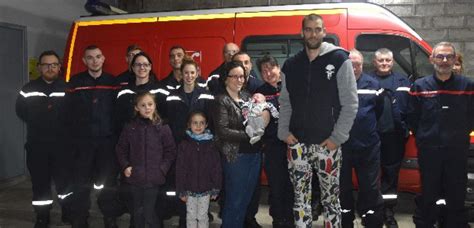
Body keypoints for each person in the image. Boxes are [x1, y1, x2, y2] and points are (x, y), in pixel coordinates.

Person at [277, 13, 358, 228]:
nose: (313, 34)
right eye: (309, 29)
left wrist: (337, 137)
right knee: (300, 200)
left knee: (331, 201)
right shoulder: (291, 65)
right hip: (297, 145)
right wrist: (283, 132)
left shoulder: (340, 60)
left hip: (327, 145)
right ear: (302, 32)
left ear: (324, 32)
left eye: (317, 29)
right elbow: (284, 102)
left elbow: (350, 103)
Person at [407, 41, 474, 228]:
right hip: (429, 151)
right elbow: (412, 117)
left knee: (456, 191)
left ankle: (454, 223)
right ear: (431, 59)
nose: (444, 60)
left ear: (454, 60)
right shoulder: (420, 86)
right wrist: (424, 136)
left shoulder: (468, 86)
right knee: (428, 191)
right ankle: (426, 223)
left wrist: (459, 134)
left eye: (449, 57)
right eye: (440, 56)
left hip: (456, 151)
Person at [64, 45, 122, 228]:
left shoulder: (113, 83)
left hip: (106, 142)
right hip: (82, 144)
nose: (94, 61)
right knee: (80, 183)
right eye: (90, 57)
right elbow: (67, 112)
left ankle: (109, 218)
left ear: (103, 59)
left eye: (98, 57)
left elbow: (118, 112)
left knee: (108, 184)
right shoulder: (75, 82)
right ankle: (80, 218)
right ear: (84, 61)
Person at [15, 50, 73, 228]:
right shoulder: (28, 89)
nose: (50, 68)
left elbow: (75, 114)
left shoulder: (68, 88)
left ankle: (67, 211)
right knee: (40, 184)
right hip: (37, 146)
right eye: (46, 65)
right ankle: (42, 216)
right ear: (39, 67)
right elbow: (21, 111)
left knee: (65, 183)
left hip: (63, 147)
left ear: (59, 67)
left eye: (54, 64)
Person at [213, 61, 264, 228]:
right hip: (236, 156)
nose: (239, 79)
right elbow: (223, 131)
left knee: (246, 199)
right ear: (225, 79)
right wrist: (249, 134)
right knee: (235, 199)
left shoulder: (247, 96)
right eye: (234, 76)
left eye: (241, 76)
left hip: (254, 154)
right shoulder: (221, 100)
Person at [116, 92, 177, 228]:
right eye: (143, 105)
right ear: (136, 108)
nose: (147, 108)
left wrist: (163, 168)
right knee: (137, 212)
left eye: (150, 104)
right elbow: (121, 148)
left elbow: (171, 150)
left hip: (154, 179)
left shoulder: (162, 127)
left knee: (149, 212)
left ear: (155, 106)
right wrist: (126, 166)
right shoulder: (130, 127)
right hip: (135, 178)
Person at [339, 49, 384, 228]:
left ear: (362, 65)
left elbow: (379, 111)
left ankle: (371, 221)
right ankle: (345, 222)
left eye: (357, 64)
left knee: (371, 189)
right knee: (343, 188)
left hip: (368, 148)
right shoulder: (337, 85)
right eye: (350, 64)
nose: (354, 67)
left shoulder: (374, 85)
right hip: (342, 147)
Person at [369, 48, 410, 228]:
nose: (384, 63)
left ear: (392, 62)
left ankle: (388, 211)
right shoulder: (367, 81)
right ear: (374, 62)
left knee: (391, 176)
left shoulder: (403, 81)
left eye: (387, 60)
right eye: (381, 60)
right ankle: (373, 210)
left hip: (394, 137)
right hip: (372, 137)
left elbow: (411, 107)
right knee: (370, 175)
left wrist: (407, 128)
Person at [254, 55, 294, 227]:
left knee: (294, 185)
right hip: (272, 146)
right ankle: (278, 220)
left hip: (294, 144)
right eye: (264, 70)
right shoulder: (260, 92)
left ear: (278, 68)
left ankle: (292, 219)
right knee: (276, 186)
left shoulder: (291, 86)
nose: (268, 72)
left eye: (271, 68)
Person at [175, 111, 222, 228]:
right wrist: (181, 189)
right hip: (189, 189)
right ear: (189, 125)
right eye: (195, 123)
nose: (198, 126)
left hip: (206, 189)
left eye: (202, 123)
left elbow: (216, 168)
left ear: (206, 125)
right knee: (190, 215)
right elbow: (180, 169)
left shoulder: (212, 145)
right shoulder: (184, 145)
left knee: (202, 216)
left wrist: (216, 187)